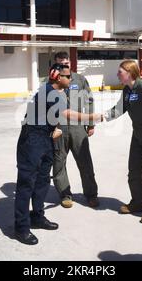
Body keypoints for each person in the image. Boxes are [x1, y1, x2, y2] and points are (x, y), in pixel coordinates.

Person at [14, 63, 103, 245]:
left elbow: (51, 115)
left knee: (42, 181)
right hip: (31, 142)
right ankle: (21, 227)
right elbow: (65, 113)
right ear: (56, 77)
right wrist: (92, 118)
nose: (71, 79)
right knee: (26, 185)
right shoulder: (49, 92)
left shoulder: (58, 92)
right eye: (67, 76)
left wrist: (53, 129)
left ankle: (37, 216)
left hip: (46, 138)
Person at [103, 60, 142, 224]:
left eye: (120, 72)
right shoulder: (127, 90)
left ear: (130, 73)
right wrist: (101, 117)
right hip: (138, 134)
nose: (118, 74)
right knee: (133, 170)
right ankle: (137, 203)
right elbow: (119, 109)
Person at [52, 51, 99, 209]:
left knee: (85, 162)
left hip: (78, 127)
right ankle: (65, 194)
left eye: (66, 63)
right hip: (58, 127)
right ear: (56, 64)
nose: (64, 66)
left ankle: (91, 194)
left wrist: (91, 123)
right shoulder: (50, 81)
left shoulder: (80, 79)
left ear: (70, 63)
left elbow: (89, 100)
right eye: (61, 64)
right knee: (59, 162)